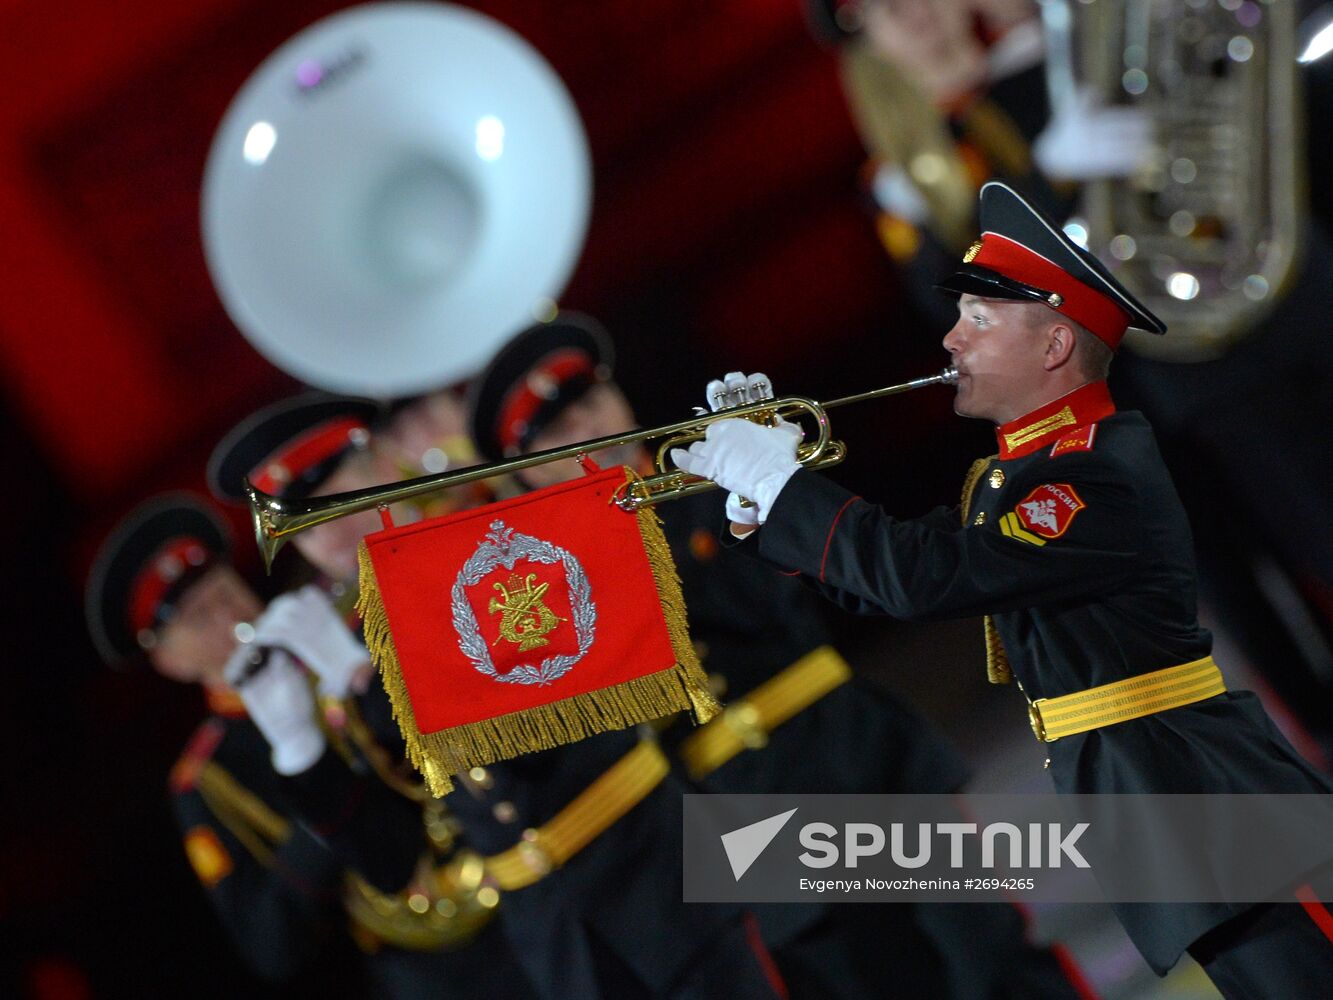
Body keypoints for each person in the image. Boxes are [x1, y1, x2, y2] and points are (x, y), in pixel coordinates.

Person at [672, 180, 1333, 998]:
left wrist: (783, 488)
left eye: (978, 322)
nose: (950, 339)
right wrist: (761, 505)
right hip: (1148, 790)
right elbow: (891, 576)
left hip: (1200, 784)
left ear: (1054, 345)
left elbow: (924, 578)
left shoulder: (1090, 476)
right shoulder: (1015, 477)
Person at [468, 312, 1097, 1000]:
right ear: (519, 477)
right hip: (739, 816)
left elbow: (793, 594)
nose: (587, 428)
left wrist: (769, 485)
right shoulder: (548, 587)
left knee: (989, 961)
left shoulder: (710, 479)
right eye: (556, 433)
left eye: (590, 401)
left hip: (849, 752)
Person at [208, 389, 785, 1000]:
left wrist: (364, 681)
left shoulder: (504, 545)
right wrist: (301, 750)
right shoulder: (349, 643)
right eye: (301, 516)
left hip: (650, 862)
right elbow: (391, 860)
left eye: (336, 485)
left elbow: (534, 742)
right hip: (553, 932)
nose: (328, 523)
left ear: (380, 462)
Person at [83, 493, 447, 994]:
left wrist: (355, 672)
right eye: (197, 617)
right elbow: (270, 946)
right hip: (433, 960)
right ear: (170, 663)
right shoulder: (208, 778)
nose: (226, 615)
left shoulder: (341, 631)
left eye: (224, 590)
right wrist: (315, 784)